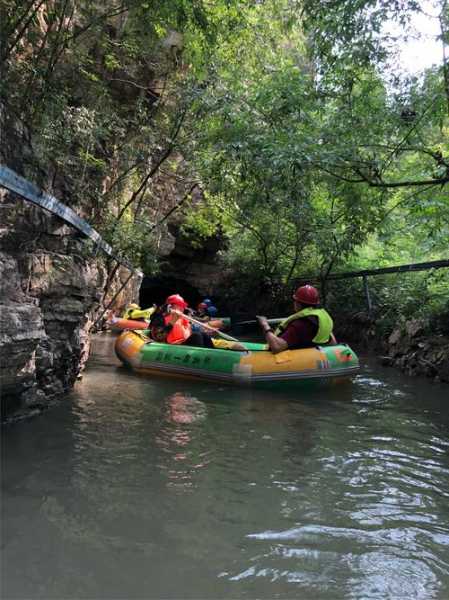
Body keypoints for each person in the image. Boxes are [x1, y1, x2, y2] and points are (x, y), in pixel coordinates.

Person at [256, 284, 337, 354]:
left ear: (298, 303)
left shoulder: (300, 324)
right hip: (312, 353)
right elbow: (333, 343)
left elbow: (277, 347)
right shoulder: (318, 319)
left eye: (295, 300)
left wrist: (264, 324)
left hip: (295, 359)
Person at [149, 294, 214, 348]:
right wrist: (172, 323)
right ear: (170, 307)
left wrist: (205, 329)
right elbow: (158, 337)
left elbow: (190, 330)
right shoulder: (159, 318)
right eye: (180, 306)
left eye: (183, 306)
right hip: (170, 346)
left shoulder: (181, 319)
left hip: (182, 343)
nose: (183, 308)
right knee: (197, 336)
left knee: (204, 335)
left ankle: (213, 354)